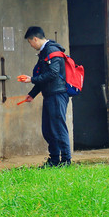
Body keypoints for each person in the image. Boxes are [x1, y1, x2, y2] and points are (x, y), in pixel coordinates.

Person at [18, 26, 71, 167]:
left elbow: (53, 74)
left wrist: (31, 79)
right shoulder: (44, 53)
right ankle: (54, 160)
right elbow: (44, 76)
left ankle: (66, 160)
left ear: (35, 39)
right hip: (49, 95)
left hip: (57, 95)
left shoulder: (52, 51)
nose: (31, 45)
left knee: (58, 128)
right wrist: (32, 94)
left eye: (30, 42)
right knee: (48, 129)